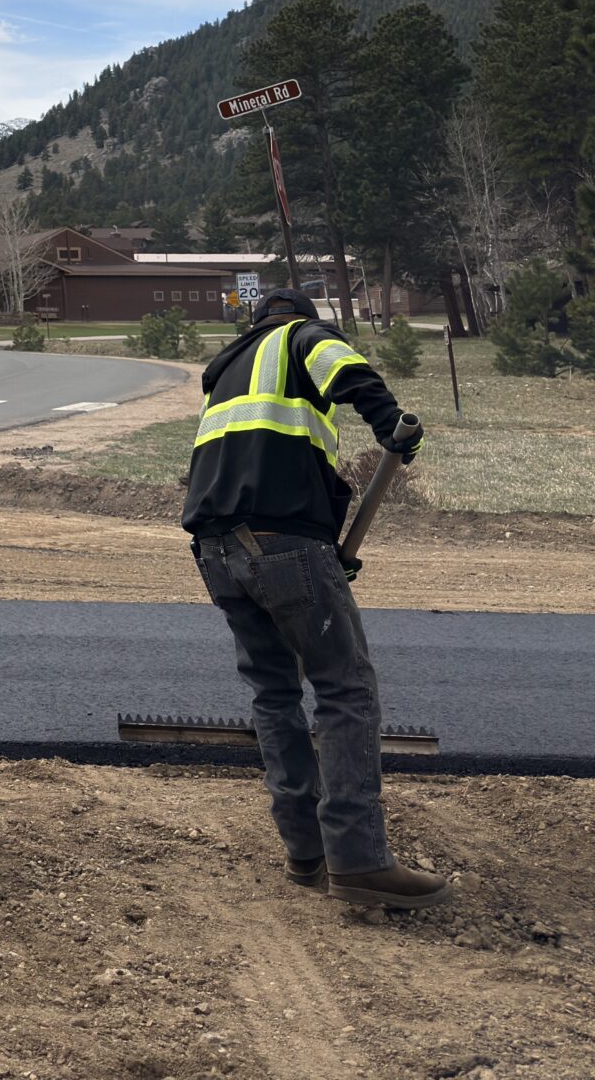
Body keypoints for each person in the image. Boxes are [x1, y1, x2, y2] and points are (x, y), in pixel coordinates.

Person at [185, 285, 452, 909]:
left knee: (274, 694)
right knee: (345, 688)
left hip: (217, 551)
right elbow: (352, 373)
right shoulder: (301, 338)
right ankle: (359, 861)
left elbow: (256, 464)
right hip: (283, 542)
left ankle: (306, 851)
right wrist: (395, 432)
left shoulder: (224, 369)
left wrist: (323, 548)